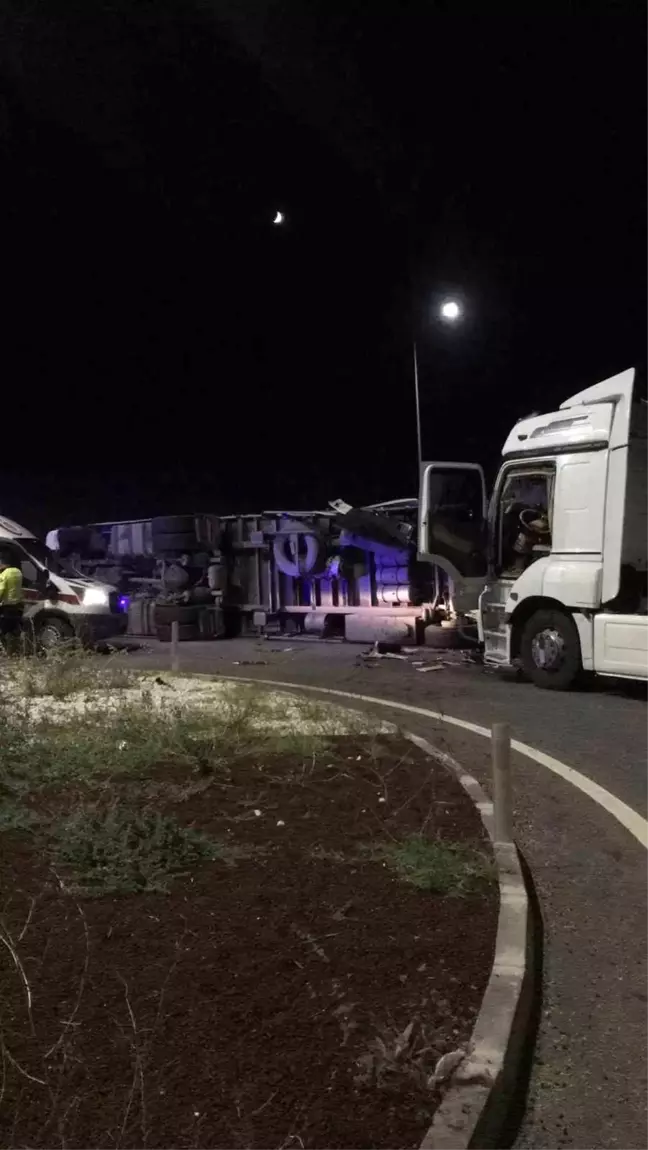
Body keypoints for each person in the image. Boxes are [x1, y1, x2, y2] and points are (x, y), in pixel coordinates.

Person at [0, 551, 25, 647]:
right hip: (17, 606)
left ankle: (5, 650)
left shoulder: (4, 575)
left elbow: (1, 590)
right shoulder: (18, 572)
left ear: (2, 564)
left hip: (5, 606)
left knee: (3, 630)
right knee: (13, 630)